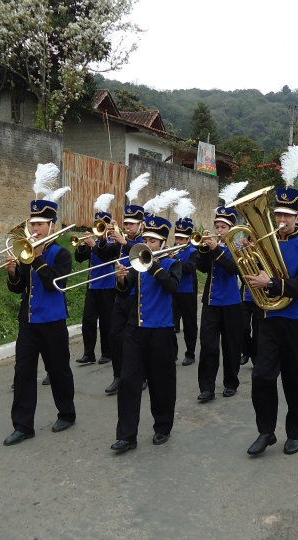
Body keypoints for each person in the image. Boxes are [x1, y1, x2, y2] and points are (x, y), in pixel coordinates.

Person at [242, 185, 298, 457]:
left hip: (297, 321)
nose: (281, 220)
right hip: (270, 319)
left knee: (296, 381)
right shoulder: (263, 243)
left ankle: (295, 433)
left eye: (287, 215)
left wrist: (272, 283)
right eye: (278, 215)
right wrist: (247, 256)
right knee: (262, 376)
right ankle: (266, 431)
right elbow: (252, 274)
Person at [2, 180, 76, 446]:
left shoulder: (61, 254)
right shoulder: (26, 252)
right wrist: (13, 273)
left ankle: (66, 413)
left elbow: (55, 283)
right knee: (22, 373)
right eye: (32, 224)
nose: (34, 229)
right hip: (29, 321)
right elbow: (18, 288)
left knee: (58, 370)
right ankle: (23, 426)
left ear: (52, 226)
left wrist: (39, 257)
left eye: (40, 224)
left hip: (53, 321)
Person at [110, 215, 183, 453]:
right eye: (146, 240)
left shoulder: (172, 264)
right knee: (128, 382)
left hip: (161, 331)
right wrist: (122, 280)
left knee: (161, 383)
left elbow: (172, 287)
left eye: (153, 241)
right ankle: (126, 436)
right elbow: (124, 293)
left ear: (163, 243)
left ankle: (162, 427)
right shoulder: (137, 264)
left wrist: (154, 266)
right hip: (135, 329)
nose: (148, 244)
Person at [97, 174, 149, 395]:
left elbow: (141, 256)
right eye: (125, 223)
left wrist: (125, 241)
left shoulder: (146, 241)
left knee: (137, 339)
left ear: (141, 225)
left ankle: (142, 375)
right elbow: (104, 254)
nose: (127, 227)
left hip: (139, 294)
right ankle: (118, 376)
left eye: (131, 224)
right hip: (121, 293)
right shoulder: (121, 240)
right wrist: (101, 238)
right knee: (115, 336)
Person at [196, 199, 245, 401]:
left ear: (231, 228)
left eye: (223, 227)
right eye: (217, 226)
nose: (219, 230)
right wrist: (203, 250)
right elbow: (202, 269)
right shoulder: (211, 246)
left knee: (231, 346)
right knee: (208, 346)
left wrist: (216, 249)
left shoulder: (239, 247)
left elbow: (234, 269)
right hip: (211, 302)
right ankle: (207, 388)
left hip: (232, 303)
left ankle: (231, 383)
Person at [73, 194, 117, 367]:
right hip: (92, 285)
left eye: (102, 225)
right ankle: (88, 353)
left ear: (107, 226)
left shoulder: (113, 241)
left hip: (108, 286)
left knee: (106, 322)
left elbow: (107, 256)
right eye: (97, 224)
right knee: (88, 321)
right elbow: (79, 259)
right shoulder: (93, 241)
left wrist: (94, 245)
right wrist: (82, 246)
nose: (98, 227)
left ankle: (107, 352)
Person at [172, 216, 199, 365]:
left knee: (189, 324)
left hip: (188, 292)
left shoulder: (193, 251)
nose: (178, 241)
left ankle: (190, 353)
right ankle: (172, 353)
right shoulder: (171, 249)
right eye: (177, 238)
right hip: (173, 290)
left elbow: (190, 269)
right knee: (170, 324)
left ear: (188, 239)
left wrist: (176, 259)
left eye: (181, 239)